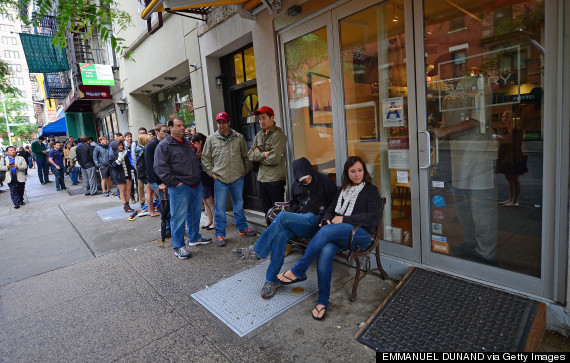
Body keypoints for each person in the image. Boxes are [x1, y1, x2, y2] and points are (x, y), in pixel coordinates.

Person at [277, 156, 382, 320]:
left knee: (326, 232)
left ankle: (298, 270)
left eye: (360, 170)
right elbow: (330, 210)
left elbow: (373, 218)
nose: (357, 174)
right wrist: (326, 219)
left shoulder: (370, 190)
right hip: (340, 233)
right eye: (352, 171)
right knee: (325, 251)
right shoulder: (342, 190)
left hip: (361, 234)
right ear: (347, 173)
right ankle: (323, 301)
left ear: (364, 171)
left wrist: (344, 219)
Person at [233, 157, 337, 299]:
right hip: (300, 220)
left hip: (316, 222)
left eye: (307, 177)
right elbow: (293, 203)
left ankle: (258, 250)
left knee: (281, 217)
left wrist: (324, 217)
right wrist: (297, 210)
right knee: (281, 235)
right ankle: (271, 280)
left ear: (311, 172)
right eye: (302, 179)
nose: (305, 180)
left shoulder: (324, 181)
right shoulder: (296, 185)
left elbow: (334, 203)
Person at [430, 76, 498, 264]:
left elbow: (478, 119)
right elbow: (446, 124)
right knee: (462, 205)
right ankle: (470, 242)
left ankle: (487, 252)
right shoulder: (449, 94)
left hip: (477, 155)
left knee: (481, 207)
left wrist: (445, 132)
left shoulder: (480, 84)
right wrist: (437, 133)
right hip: (458, 158)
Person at [154, 117, 212, 259]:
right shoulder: (164, 145)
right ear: (170, 128)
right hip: (180, 187)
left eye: (183, 125)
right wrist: (174, 182)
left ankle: (194, 237)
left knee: (195, 213)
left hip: (195, 184)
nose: (182, 128)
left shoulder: (187, 142)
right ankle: (179, 246)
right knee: (178, 217)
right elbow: (159, 167)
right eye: (178, 125)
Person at [202, 111, 256, 247]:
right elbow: (205, 159)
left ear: (229, 123)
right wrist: (212, 173)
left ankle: (242, 227)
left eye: (224, 122)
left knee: (238, 203)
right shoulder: (211, 139)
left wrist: (245, 170)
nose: (221, 125)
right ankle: (220, 234)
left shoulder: (239, 137)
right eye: (219, 123)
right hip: (220, 178)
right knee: (220, 208)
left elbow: (246, 156)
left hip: (238, 177)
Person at [248, 106, 287, 214]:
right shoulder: (259, 134)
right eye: (260, 119)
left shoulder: (278, 135)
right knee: (267, 211)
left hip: (275, 179)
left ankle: (278, 231)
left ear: (272, 117)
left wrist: (258, 156)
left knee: (277, 212)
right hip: (262, 178)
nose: (261, 121)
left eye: (264, 118)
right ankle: (269, 230)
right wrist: (264, 154)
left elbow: (273, 159)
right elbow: (250, 155)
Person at [495, 110, 528, 206]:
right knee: (508, 177)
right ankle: (511, 199)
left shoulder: (516, 129)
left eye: (507, 116)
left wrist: (502, 138)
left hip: (513, 156)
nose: (504, 118)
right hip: (504, 155)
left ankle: (515, 200)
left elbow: (517, 143)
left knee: (514, 178)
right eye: (503, 116)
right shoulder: (503, 128)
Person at [145, 124, 170, 229]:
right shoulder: (151, 146)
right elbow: (150, 166)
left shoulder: (167, 142)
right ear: (157, 132)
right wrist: (159, 183)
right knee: (165, 204)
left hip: (165, 178)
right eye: (164, 131)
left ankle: (169, 227)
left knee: (168, 203)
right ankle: (167, 228)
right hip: (156, 180)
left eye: (167, 131)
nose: (166, 133)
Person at [192, 132, 215, 230]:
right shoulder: (199, 151)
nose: (195, 145)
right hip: (201, 178)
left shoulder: (207, 150)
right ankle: (210, 220)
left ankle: (215, 221)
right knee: (205, 201)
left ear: (200, 142)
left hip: (207, 179)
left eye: (196, 143)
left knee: (210, 201)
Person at [110, 140, 134, 212]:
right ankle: (125, 205)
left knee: (128, 191)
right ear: (115, 146)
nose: (121, 146)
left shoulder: (126, 152)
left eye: (121, 145)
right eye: (119, 145)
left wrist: (131, 172)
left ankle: (127, 205)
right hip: (119, 175)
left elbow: (130, 163)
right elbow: (113, 166)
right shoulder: (112, 155)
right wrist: (119, 159)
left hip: (128, 174)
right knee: (122, 191)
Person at [137, 134, 158, 216]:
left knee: (149, 192)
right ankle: (151, 211)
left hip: (145, 174)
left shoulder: (141, 150)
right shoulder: (145, 150)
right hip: (147, 174)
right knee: (149, 192)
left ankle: (151, 210)